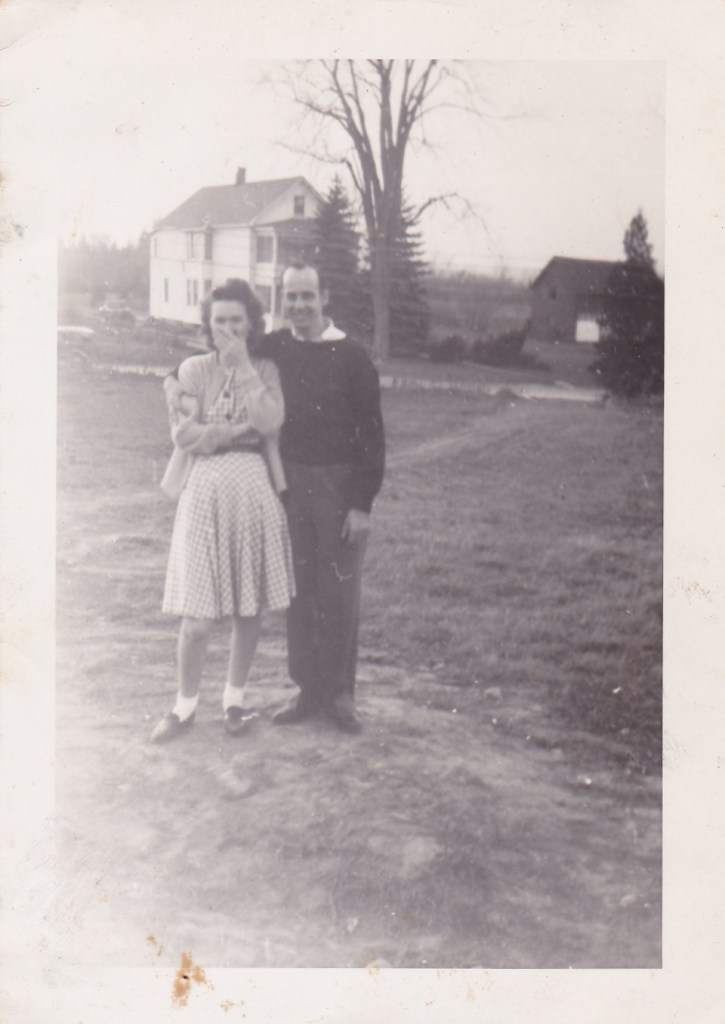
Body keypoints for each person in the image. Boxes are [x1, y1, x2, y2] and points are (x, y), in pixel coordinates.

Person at [151, 279, 294, 743]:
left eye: (237, 320)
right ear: (208, 327)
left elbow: (271, 423)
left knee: (246, 608)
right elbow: (185, 436)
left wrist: (245, 373)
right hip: (204, 490)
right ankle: (184, 707)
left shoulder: (267, 369)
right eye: (220, 322)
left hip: (253, 491)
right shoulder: (192, 370)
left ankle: (234, 701)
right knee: (197, 617)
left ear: (252, 323)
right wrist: (235, 432)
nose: (229, 329)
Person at [259, 262, 385, 734]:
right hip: (290, 485)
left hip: (339, 486)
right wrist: (179, 377)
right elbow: (225, 347)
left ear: (325, 297)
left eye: (307, 296)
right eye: (290, 296)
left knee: (339, 592)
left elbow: (372, 434)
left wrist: (361, 503)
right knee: (300, 591)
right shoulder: (277, 346)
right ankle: (307, 690)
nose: (298, 305)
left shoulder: (352, 355)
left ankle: (340, 694)